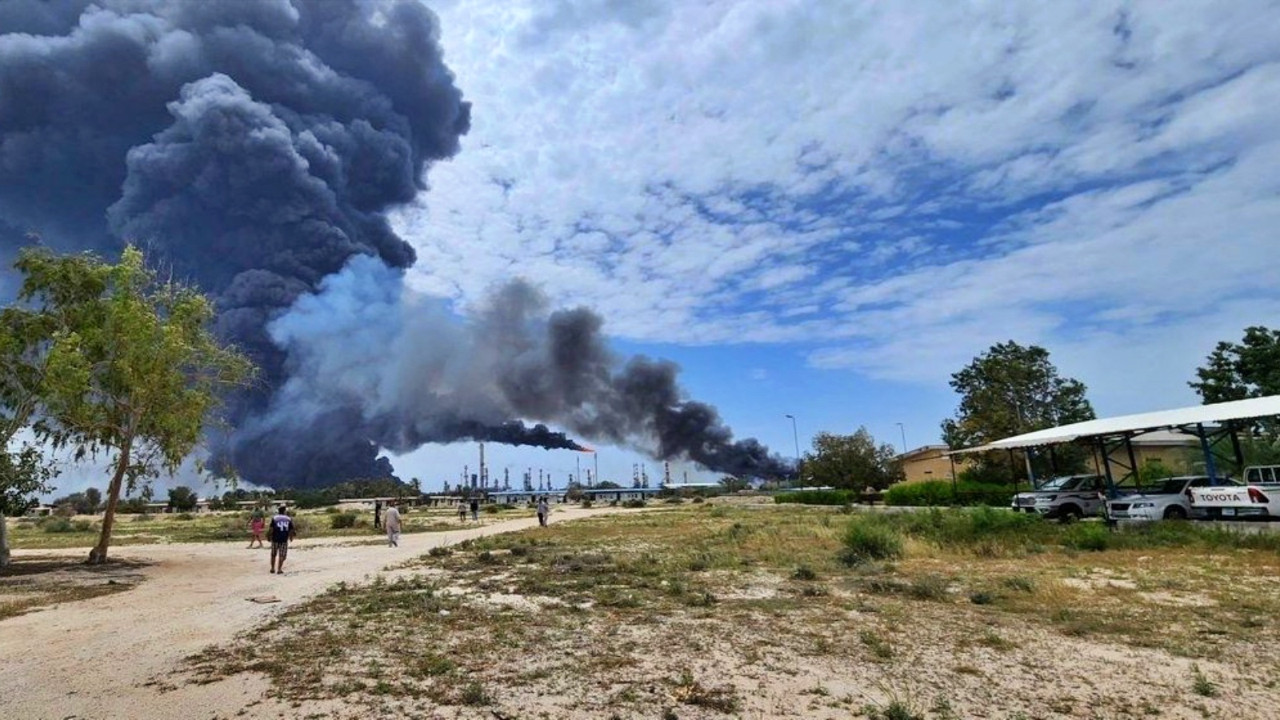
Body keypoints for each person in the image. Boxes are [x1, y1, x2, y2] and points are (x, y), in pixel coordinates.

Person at [269, 505, 296, 575]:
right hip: (284, 539)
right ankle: (279, 569)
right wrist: (291, 537)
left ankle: (272, 568)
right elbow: (291, 529)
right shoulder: (288, 519)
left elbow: (271, 529)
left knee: (273, 554)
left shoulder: (274, 518)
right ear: (284, 511)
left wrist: (269, 536)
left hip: (275, 538)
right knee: (282, 555)